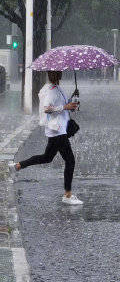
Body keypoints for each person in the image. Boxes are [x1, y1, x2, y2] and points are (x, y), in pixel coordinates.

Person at [11, 71, 83, 205]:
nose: (59, 75)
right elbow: (47, 109)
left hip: (58, 129)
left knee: (47, 157)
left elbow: (63, 107)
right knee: (70, 161)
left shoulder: (57, 88)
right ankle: (67, 195)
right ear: (57, 75)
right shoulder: (51, 90)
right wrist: (65, 106)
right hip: (57, 131)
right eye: (57, 73)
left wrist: (72, 100)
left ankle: (18, 166)